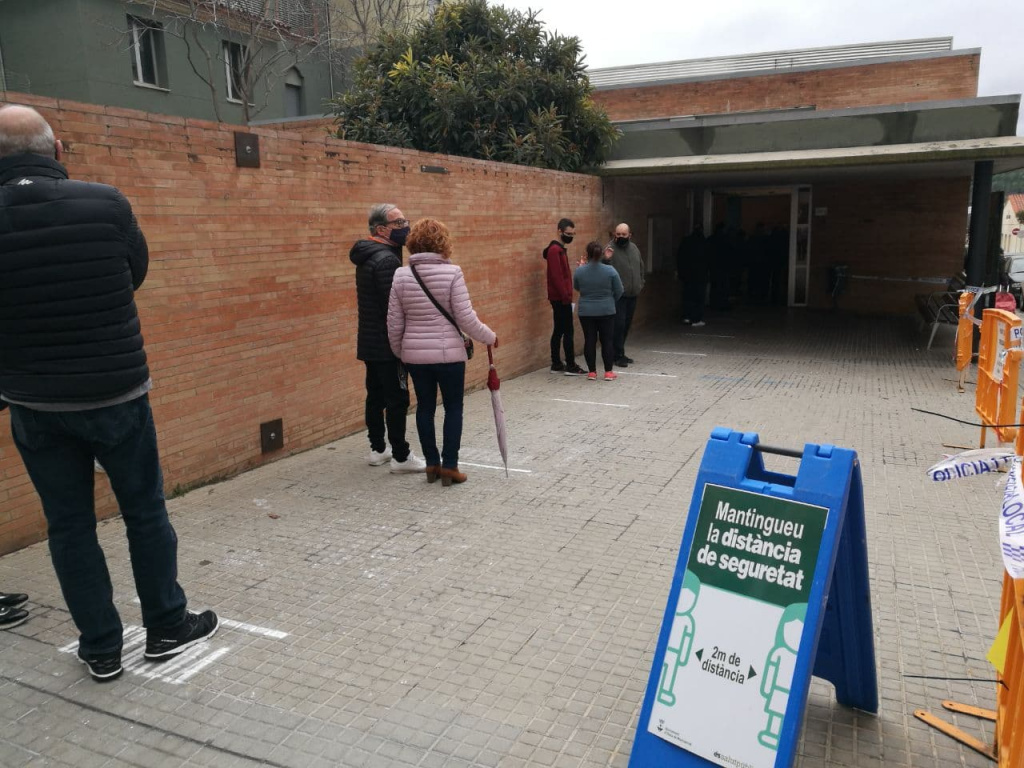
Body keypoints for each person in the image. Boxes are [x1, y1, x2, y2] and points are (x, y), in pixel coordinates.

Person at [0, 104, 218, 682]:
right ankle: (167, 625)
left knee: (68, 526)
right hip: (115, 391)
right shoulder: (107, 203)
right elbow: (134, 271)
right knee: (144, 511)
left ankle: (99, 646)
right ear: (58, 151)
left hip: (34, 404)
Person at [387, 219, 497, 486]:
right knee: (453, 408)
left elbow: (394, 322)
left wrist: (401, 351)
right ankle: (450, 466)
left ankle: (431, 465)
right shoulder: (453, 273)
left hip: (415, 356)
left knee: (424, 408)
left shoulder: (401, 275)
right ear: (443, 244)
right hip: (449, 357)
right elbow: (466, 318)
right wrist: (489, 337)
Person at [350, 204, 426, 473]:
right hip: (386, 345)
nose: (405, 226)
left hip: (370, 342)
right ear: (381, 229)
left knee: (375, 396)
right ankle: (401, 456)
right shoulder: (386, 261)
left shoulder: (368, 255)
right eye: (399, 223)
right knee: (397, 399)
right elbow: (393, 308)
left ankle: (378, 449)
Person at [573, 242, 623, 381]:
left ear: (587, 254)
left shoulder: (580, 271)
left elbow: (577, 287)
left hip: (586, 311)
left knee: (590, 340)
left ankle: (592, 372)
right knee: (607, 340)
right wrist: (610, 300)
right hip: (606, 310)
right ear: (601, 254)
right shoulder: (610, 270)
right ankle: (608, 372)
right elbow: (619, 290)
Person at [543, 218, 585, 376]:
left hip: (561, 297)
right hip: (560, 298)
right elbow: (557, 276)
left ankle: (556, 363)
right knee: (567, 331)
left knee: (559, 330)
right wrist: (566, 296)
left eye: (573, 234)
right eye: (568, 233)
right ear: (559, 232)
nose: (570, 236)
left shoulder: (559, 249)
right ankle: (570, 365)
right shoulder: (555, 250)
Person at [605, 223, 645, 367]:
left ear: (629, 235)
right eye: (618, 234)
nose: (621, 237)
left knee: (627, 324)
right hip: (618, 296)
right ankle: (616, 355)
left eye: (623, 234)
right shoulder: (609, 249)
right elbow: (603, 268)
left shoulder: (634, 248)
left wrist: (640, 284)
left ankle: (621, 352)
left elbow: (640, 267)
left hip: (633, 294)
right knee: (618, 325)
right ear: (615, 234)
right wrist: (606, 259)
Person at [676, 225, 708, 327]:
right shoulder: (703, 243)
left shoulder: (686, 241)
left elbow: (680, 257)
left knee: (687, 296)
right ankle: (696, 319)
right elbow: (707, 259)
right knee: (698, 297)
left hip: (687, 276)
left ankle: (687, 316)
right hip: (699, 275)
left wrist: (681, 272)